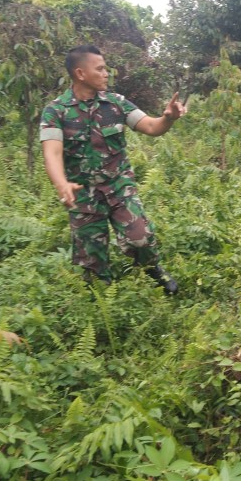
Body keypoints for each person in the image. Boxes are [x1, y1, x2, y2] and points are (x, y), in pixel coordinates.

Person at [40, 44, 187, 294]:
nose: (106, 74)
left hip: (119, 187)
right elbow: (51, 153)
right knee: (92, 267)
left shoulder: (117, 103)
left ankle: (153, 269)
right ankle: (102, 306)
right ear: (80, 73)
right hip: (83, 195)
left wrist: (169, 118)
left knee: (141, 238)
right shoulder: (56, 111)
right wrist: (61, 184)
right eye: (100, 69)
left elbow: (151, 127)